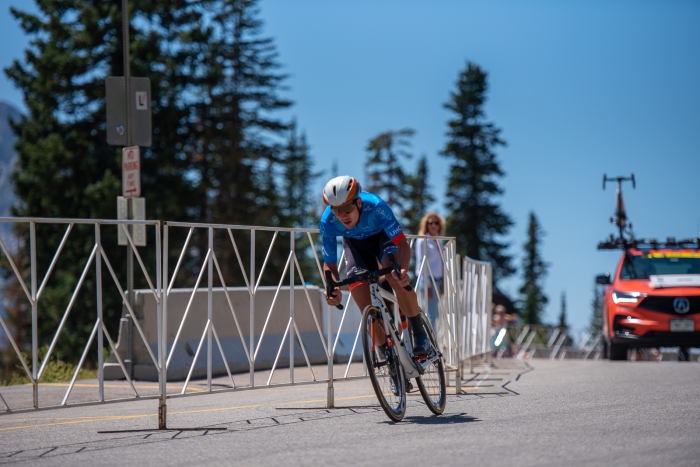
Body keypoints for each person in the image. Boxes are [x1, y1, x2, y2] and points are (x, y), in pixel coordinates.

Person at [320, 176, 431, 362]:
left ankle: (419, 333)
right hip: (355, 246)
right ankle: (386, 355)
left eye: (347, 208)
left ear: (359, 203)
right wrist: (335, 288)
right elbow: (330, 264)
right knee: (359, 293)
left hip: (382, 239)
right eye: (337, 210)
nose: (343, 215)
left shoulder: (377, 206)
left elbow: (402, 244)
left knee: (394, 275)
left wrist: (403, 271)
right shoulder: (328, 221)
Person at [414, 212, 446, 329]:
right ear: (426, 224)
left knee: (435, 313)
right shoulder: (423, 240)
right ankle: (431, 344)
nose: (433, 225)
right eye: (430, 223)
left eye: (436, 223)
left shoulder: (439, 240)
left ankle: (432, 342)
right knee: (430, 314)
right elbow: (420, 262)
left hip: (437, 280)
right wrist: (426, 282)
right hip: (428, 281)